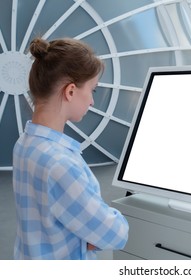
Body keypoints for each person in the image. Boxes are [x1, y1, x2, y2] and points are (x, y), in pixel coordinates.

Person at [12, 37, 129, 260]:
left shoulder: (24, 144)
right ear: (71, 91)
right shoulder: (61, 164)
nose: (92, 101)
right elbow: (115, 234)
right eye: (93, 90)